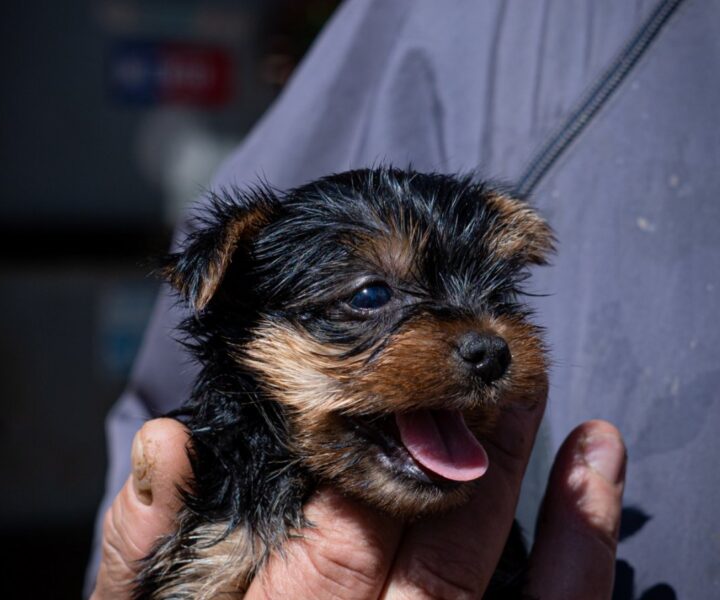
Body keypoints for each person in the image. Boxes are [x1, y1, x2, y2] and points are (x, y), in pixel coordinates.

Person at [86, 1, 720, 598]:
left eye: (499, 291)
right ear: (231, 302)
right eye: (369, 296)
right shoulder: (214, 518)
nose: (484, 339)